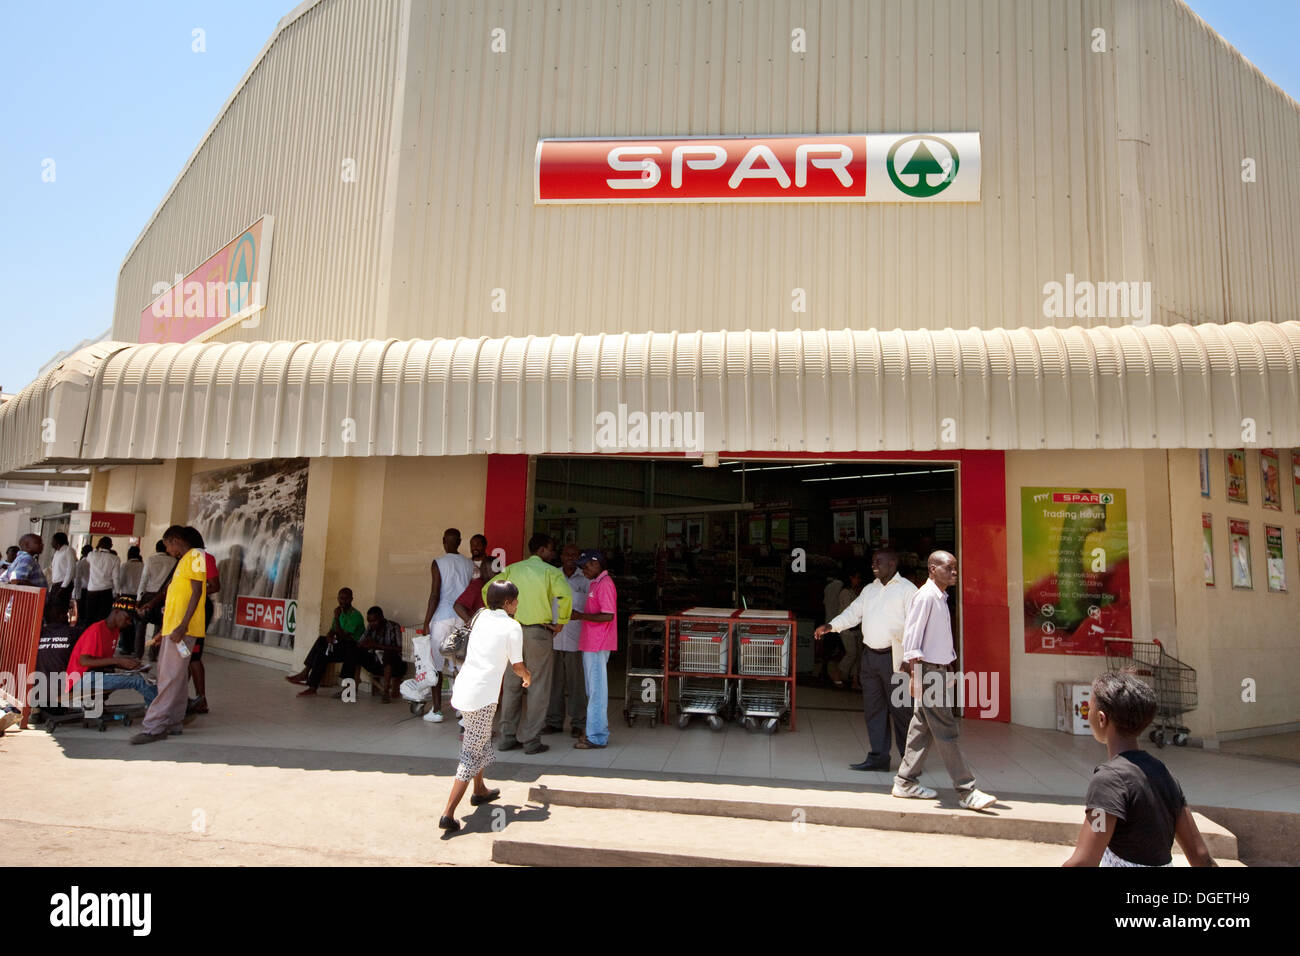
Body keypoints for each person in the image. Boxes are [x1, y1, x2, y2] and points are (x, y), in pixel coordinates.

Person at [1064, 672, 1215, 867]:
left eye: (1089, 709)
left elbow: (1083, 862)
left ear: (1102, 719)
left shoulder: (1107, 781)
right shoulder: (1163, 773)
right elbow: (1201, 857)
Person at [892, 551, 997, 810]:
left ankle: (905, 782)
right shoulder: (926, 597)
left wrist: (946, 670)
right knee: (946, 730)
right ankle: (966, 790)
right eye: (949, 568)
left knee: (921, 727)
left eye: (955, 568)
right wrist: (916, 678)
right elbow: (912, 641)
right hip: (927, 673)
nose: (954, 572)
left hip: (935, 671)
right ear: (932, 569)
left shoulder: (939, 597)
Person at [439, 580, 530, 832]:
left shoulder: (479, 616)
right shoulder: (512, 626)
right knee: (471, 753)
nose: (518, 604)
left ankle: (479, 790)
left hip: (464, 689)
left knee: (477, 739)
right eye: (516, 599)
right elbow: (517, 665)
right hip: (482, 697)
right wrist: (527, 677)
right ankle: (448, 813)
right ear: (509, 602)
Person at [815, 549, 918, 771]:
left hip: (896, 658)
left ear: (892, 563)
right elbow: (852, 613)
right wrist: (831, 626)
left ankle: (911, 761)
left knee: (902, 711)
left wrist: (910, 659)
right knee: (874, 710)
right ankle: (879, 757)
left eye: (878, 562)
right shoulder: (870, 590)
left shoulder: (908, 590)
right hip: (870, 657)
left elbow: (916, 627)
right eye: (872, 562)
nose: (873, 565)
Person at [483, 534, 572, 755]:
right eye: (551, 550)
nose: (552, 554)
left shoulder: (513, 570)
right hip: (538, 633)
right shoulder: (551, 572)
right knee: (538, 687)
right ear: (542, 550)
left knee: (512, 685)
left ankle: (507, 737)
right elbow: (565, 596)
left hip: (512, 631)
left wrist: (498, 614)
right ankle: (532, 741)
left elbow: (487, 590)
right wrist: (561, 622)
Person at [132, 526, 206, 744]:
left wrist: (182, 625)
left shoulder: (195, 556)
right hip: (174, 630)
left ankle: (154, 726)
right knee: (177, 676)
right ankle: (173, 721)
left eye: (168, 546)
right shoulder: (186, 559)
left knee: (169, 677)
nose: (169, 550)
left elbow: (197, 592)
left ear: (175, 540)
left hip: (182, 630)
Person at [418, 528, 475, 723]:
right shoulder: (469, 563)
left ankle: (436, 710)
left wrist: (426, 621)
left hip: (442, 616)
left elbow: (435, 594)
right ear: (459, 542)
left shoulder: (438, 563)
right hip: (461, 617)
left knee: (435, 663)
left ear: (444, 541)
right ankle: (461, 708)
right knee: (460, 663)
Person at [65, 596, 158, 709]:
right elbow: (84, 661)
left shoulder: (114, 631)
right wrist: (118, 660)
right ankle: (160, 711)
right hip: (80, 679)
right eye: (127, 618)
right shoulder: (96, 629)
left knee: (144, 677)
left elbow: (104, 661)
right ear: (116, 612)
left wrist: (130, 665)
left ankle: (154, 708)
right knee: (137, 681)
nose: (129, 623)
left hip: (96, 674)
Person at [572, 549, 617, 749]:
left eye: (586, 566)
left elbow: (608, 615)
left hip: (598, 644)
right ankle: (594, 731)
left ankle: (597, 736)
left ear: (597, 564)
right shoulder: (596, 583)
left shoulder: (605, 584)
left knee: (596, 691)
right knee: (593, 690)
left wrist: (580, 616)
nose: (583, 570)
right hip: (592, 642)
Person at [543, 544, 588, 738]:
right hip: (554, 637)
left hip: (576, 638)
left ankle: (578, 722)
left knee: (576, 683)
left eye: (574, 555)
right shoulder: (552, 575)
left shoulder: (585, 578)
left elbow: (591, 607)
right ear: (560, 556)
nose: (570, 557)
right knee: (555, 682)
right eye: (567, 554)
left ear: (579, 558)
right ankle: (554, 721)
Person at [288, 587, 366, 692]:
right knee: (322, 651)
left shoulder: (355, 615)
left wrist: (337, 618)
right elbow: (333, 630)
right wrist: (329, 636)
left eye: (345, 598)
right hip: (341, 646)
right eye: (340, 598)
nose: (342, 601)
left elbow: (343, 636)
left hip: (352, 650)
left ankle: (306, 673)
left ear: (351, 599)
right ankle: (312, 687)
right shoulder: (340, 613)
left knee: (321, 643)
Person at [344, 606, 408, 702]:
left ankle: (385, 692)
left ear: (382, 617)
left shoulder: (393, 627)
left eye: (374, 621)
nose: (372, 624)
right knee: (354, 651)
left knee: (388, 654)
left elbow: (401, 649)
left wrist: (377, 646)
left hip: (396, 666)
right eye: (369, 621)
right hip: (378, 664)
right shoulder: (370, 628)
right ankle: (350, 688)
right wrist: (364, 644)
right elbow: (359, 644)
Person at [134, 540, 177, 659]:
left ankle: (138, 654)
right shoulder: (174, 561)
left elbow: (144, 579)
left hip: (148, 596)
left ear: (156, 548)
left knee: (141, 625)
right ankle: (153, 654)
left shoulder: (151, 560)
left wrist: (139, 598)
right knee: (159, 625)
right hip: (164, 598)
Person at [46, 532, 76, 623]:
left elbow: (71, 569)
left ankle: (60, 630)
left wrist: (64, 587)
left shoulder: (68, 550)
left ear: (57, 541)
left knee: (60, 609)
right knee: (52, 608)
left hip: (63, 585)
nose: (51, 543)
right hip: (56, 585)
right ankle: (53, 628)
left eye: (52, 540)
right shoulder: (57, 552)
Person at [72, 544, 92, 624]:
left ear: (82, 552)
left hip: (82, 590)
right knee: (89, 612)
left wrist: (77, 595)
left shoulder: (81, 563)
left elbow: (77, 579)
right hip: (92, 590)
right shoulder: (93, 562)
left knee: (81, 613)